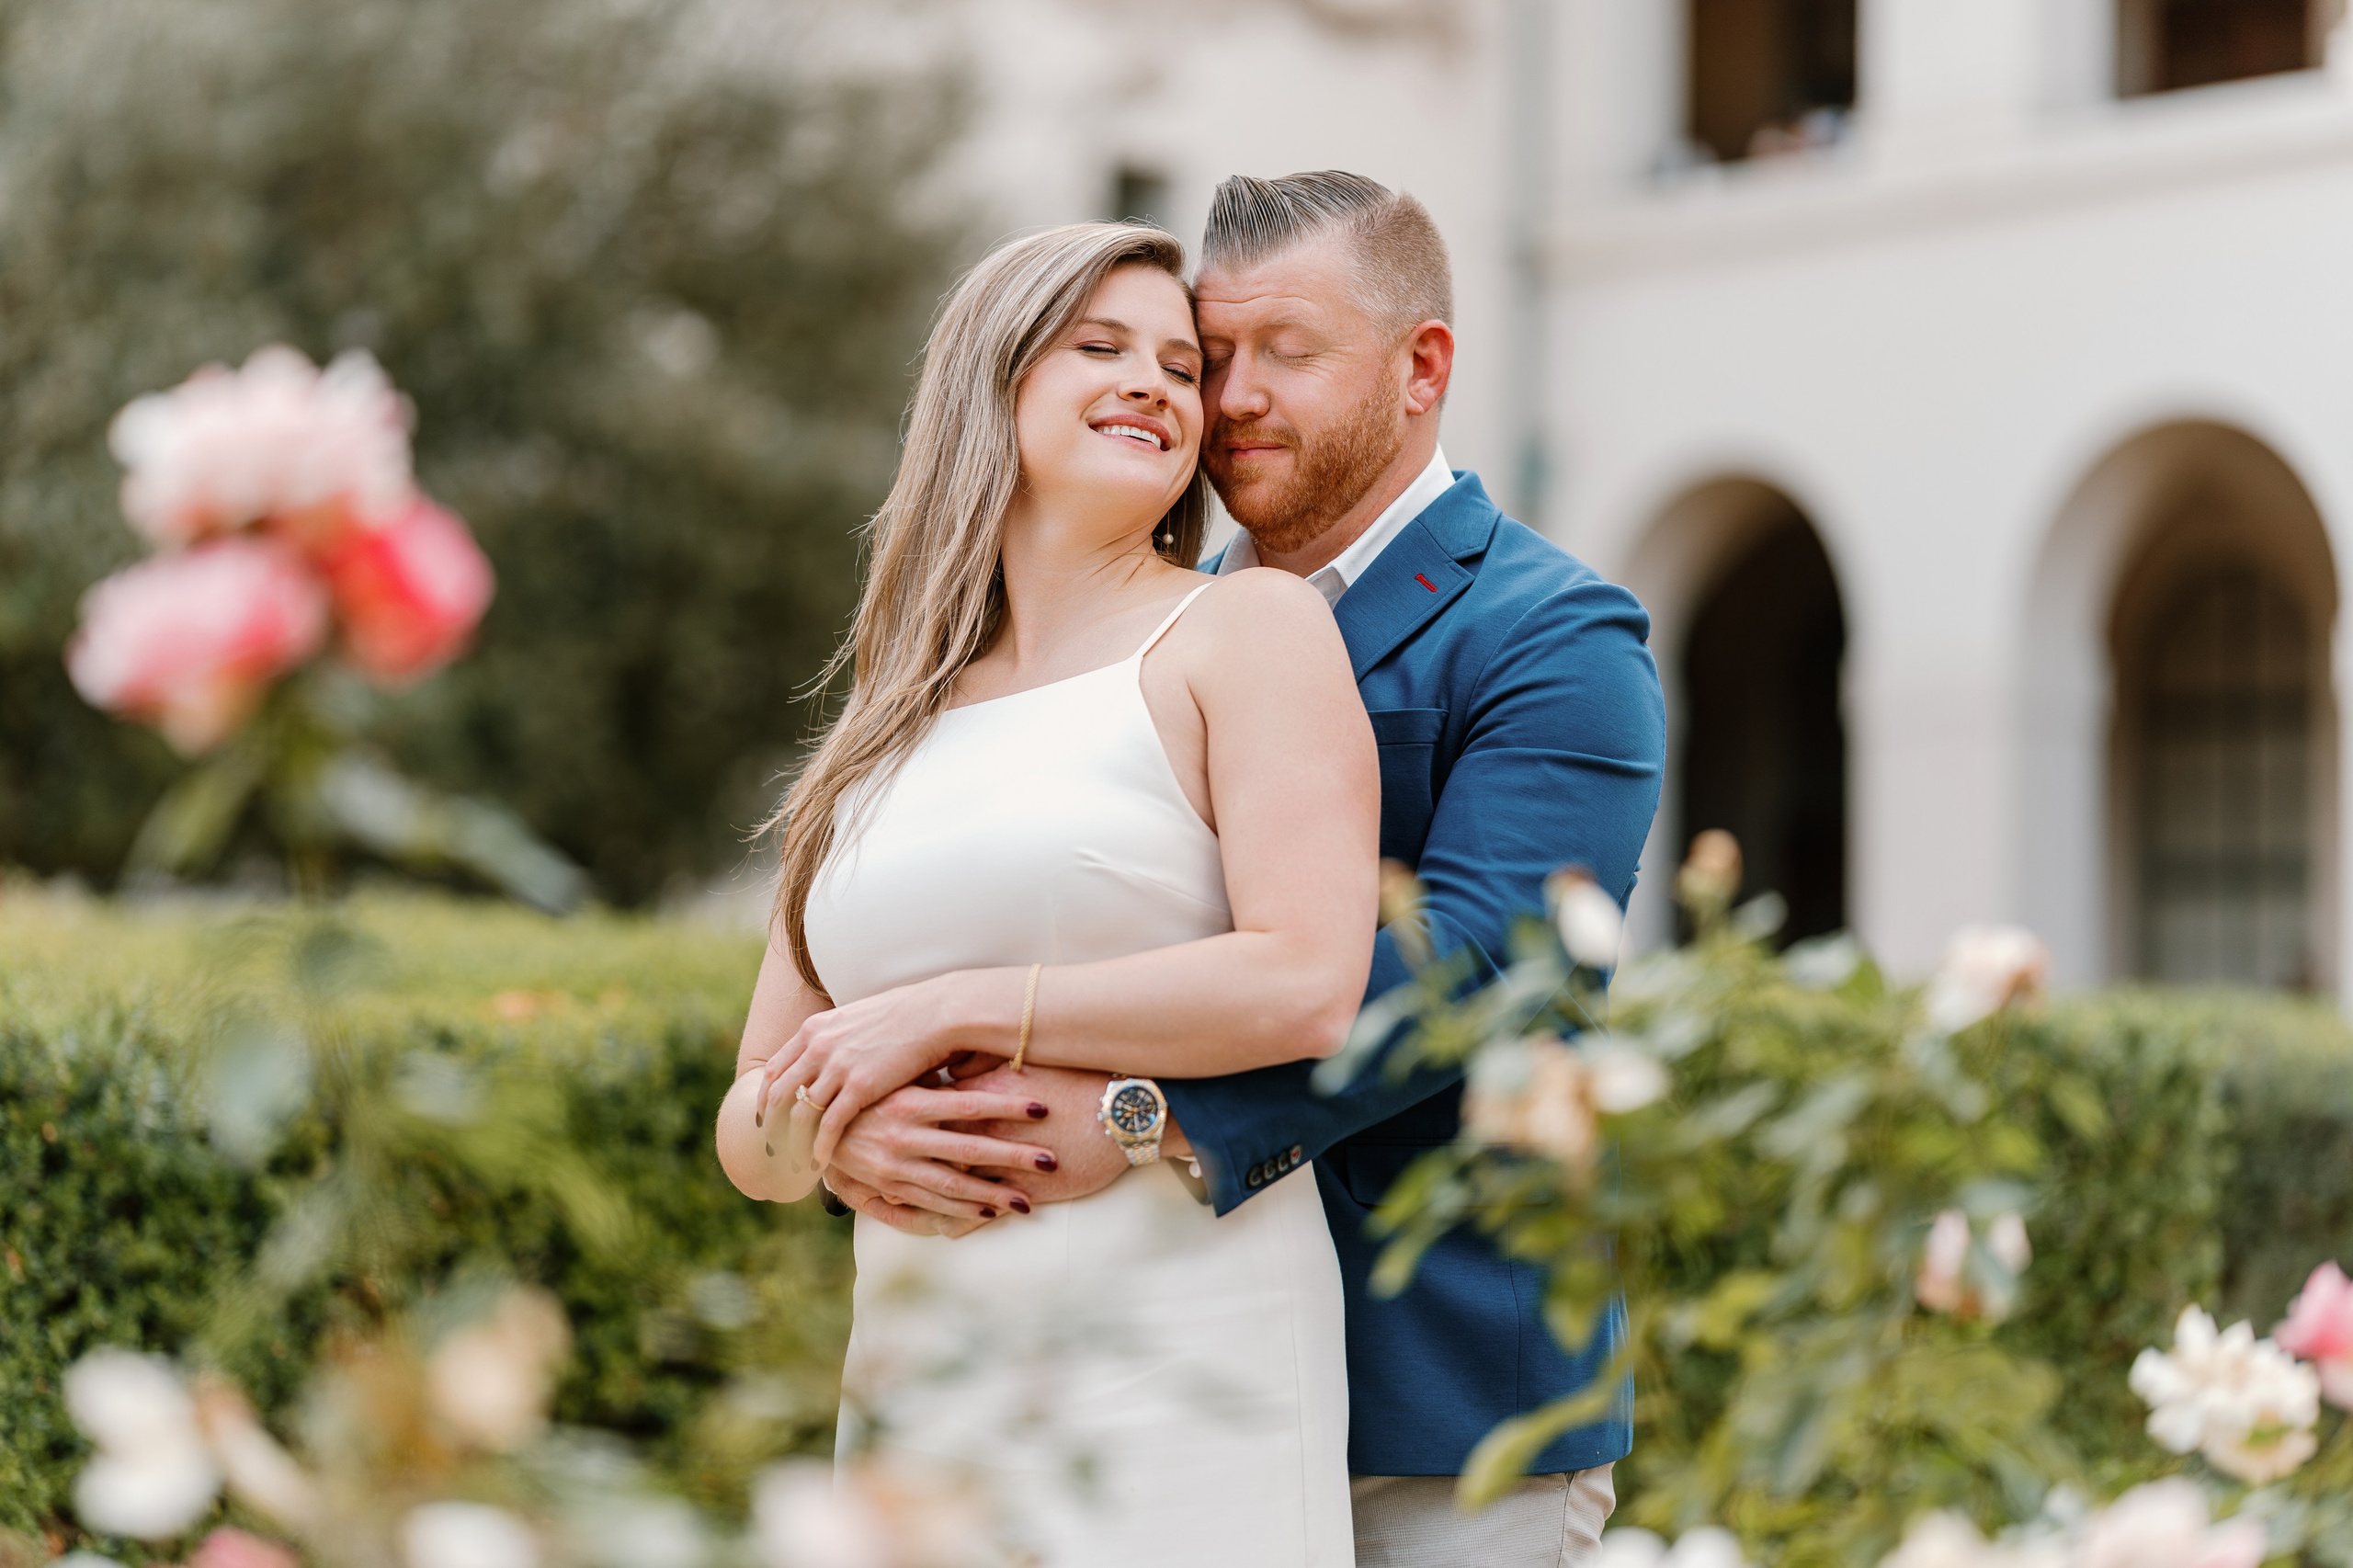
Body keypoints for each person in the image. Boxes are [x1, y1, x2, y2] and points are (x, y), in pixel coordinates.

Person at [815, 172, 1668, 1568]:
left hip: (1440, 1397)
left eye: (1289, 352)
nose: (1234, 396)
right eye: (1214, 359)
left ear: (1422, 369)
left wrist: (1154, 1112)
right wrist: (854, 1121)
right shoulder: (1148, 633)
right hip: (1142, 1365)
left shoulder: (1554, 633)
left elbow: (1483, 967)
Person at [715, 221, 1379, 1566]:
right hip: (924, 1370)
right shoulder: (885, 715)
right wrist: (833, 1150)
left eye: (1179, 365)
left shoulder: (1246, 630)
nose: (1156, 383)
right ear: (991, 383)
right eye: (1101, 348)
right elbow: (749, 1119)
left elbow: (1308, 979)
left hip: (1188, 1345)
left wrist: (959, 1008)